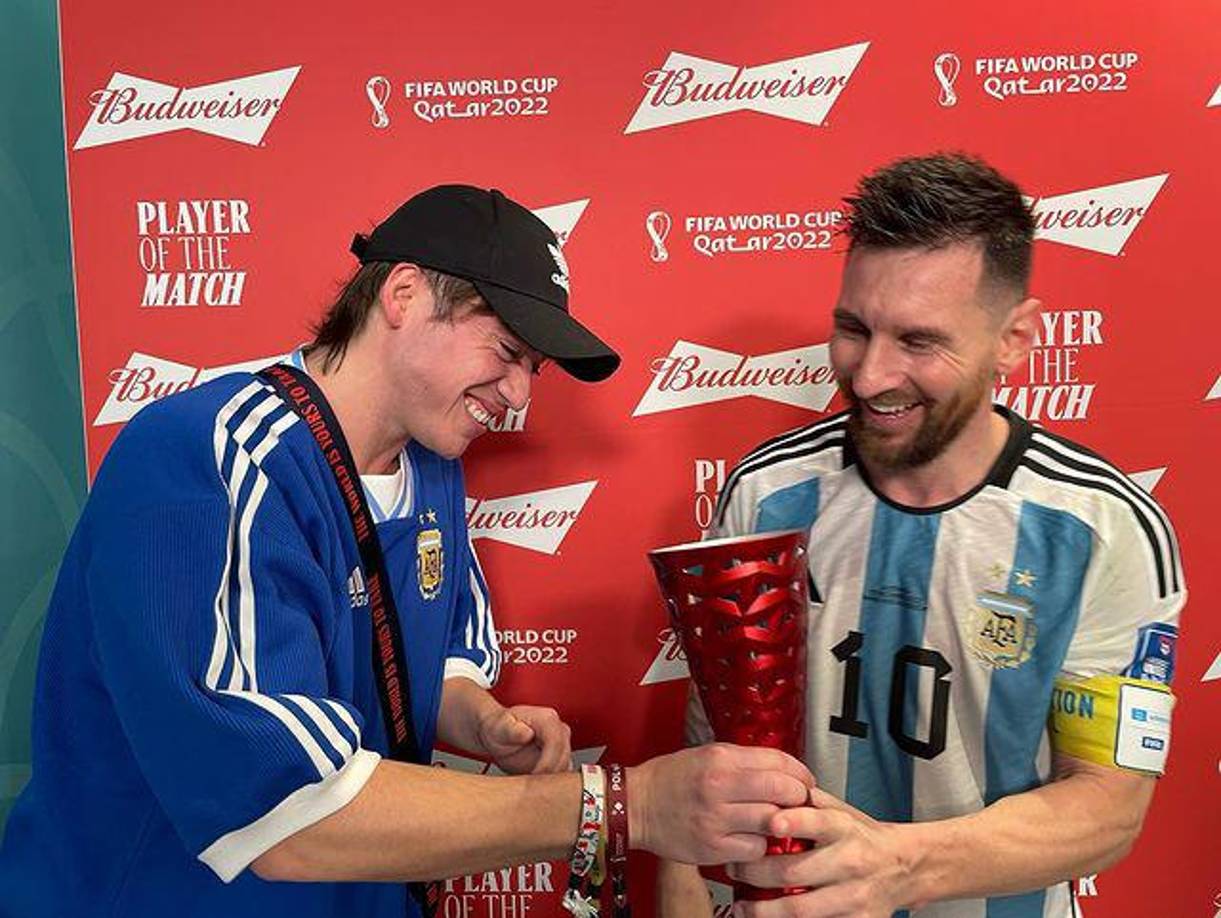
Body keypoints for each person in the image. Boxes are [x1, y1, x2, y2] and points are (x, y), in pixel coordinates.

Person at [0, 185, 814, 917]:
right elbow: (278, 812)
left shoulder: (431, 468)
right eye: (505, 352)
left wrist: (478, 718)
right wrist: (622, 804)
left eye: (533, 368)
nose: (520, 394)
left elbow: (433, 653)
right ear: (402, 295)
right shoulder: (211, 455)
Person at [658, 154, 1186, 918]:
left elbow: (1107, 807)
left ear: (1013, 339)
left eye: (917, 341)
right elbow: (711, 753)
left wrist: (898, 866)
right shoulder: (766, 494)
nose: (869, 376)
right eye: (852, 328)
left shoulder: (1101, 527)